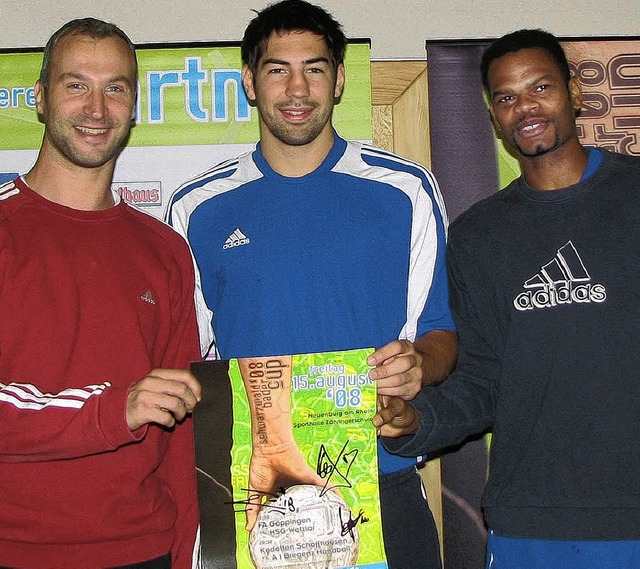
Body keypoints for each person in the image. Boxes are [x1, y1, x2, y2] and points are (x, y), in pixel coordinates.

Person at [167, 1, 456, 567]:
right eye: (277, 69)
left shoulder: (405, 189)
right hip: (250, 495)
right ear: (249, 82)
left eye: (315, 68)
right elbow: (188, 355)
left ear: (340, 79)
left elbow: (440, 332)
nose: (296, 88)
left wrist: (418, 364)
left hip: (380, 478)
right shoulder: (197, 207)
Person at [376, 28, 640, 568]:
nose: (526, 107)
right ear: (493, 116)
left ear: (574, 91)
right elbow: (480, 381)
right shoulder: (478, 236)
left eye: (540, 87)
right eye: (506, 97)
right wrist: (415, 421)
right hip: (530, 522)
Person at [0, 18, 202, 569]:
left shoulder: (164, 250)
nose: (96, 109)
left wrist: (186, 555)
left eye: (115, 88)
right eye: (75, 85)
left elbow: (181, 439)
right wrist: (115, 410)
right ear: (39, 99)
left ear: (134, 106)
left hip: (146, 551)